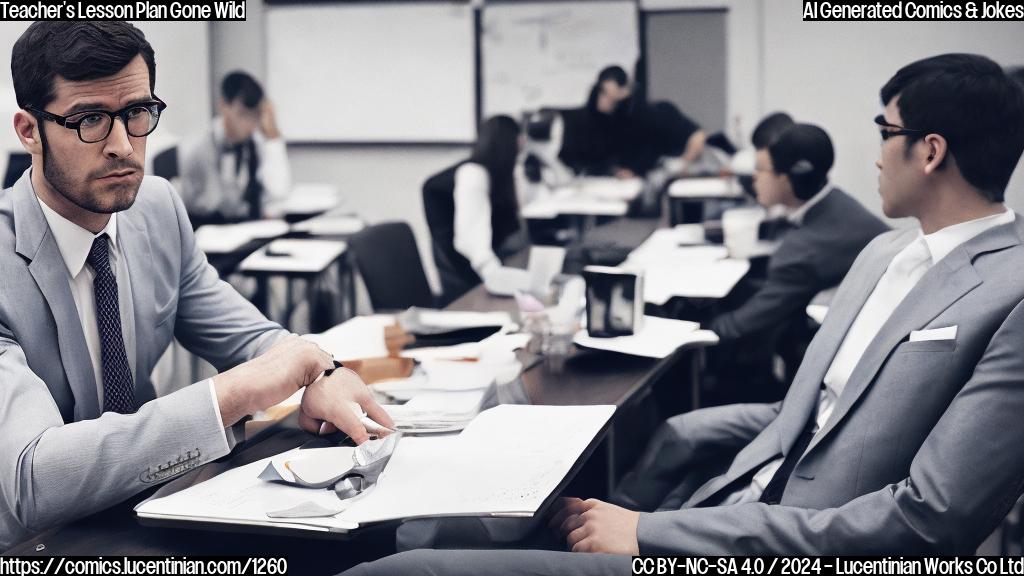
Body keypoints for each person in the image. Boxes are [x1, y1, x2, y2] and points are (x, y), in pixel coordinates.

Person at [344, 52, 1024, 571]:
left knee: (407, 569)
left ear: (930, 151)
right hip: (731, 503)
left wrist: (650, 532)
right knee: (486, 514)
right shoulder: (884, 253)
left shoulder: (1010, 291)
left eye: (886, 131)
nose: (875, 155)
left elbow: (928, 520)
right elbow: (814, 418)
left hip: (772, 540)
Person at [0, 21, 392, 551]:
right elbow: (32, 481)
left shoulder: (155, 209)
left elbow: (251, 338)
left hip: (149, 507)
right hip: (40, 543)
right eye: (90, 119)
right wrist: (231, 394)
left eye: (137, 113)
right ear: (29, 131)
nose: (123, 146)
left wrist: (322, 367)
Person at [707, 122, 889, 401]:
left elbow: (740, 326)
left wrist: (701, 327)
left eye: (762, 169)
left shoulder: (805, 249)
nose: (754, 177)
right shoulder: (836, 204)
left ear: (790, 176)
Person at [423, 116, 524, 304]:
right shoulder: (473, 175)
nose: (523, 145)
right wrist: (497, 278)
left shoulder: (499, 175)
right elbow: (470, 242)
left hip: (475, 265)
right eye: (520, 139)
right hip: (462, 272)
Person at [178, 71, 291, 227]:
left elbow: (278, 193)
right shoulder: (202, 147)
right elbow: (221, 206)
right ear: (224, 106)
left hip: (241, 230)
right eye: (243, 115)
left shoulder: (254, 142)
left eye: (254, 116)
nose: (249, 124)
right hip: (209, 231)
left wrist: (272, 135)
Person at [557, 65, 631, 177]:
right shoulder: (578, 120)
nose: (608, 100)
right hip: (583, 176)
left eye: (614, 97)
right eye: (604, 92)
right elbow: (576, 158)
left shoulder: (623, 118)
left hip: (611, 179)